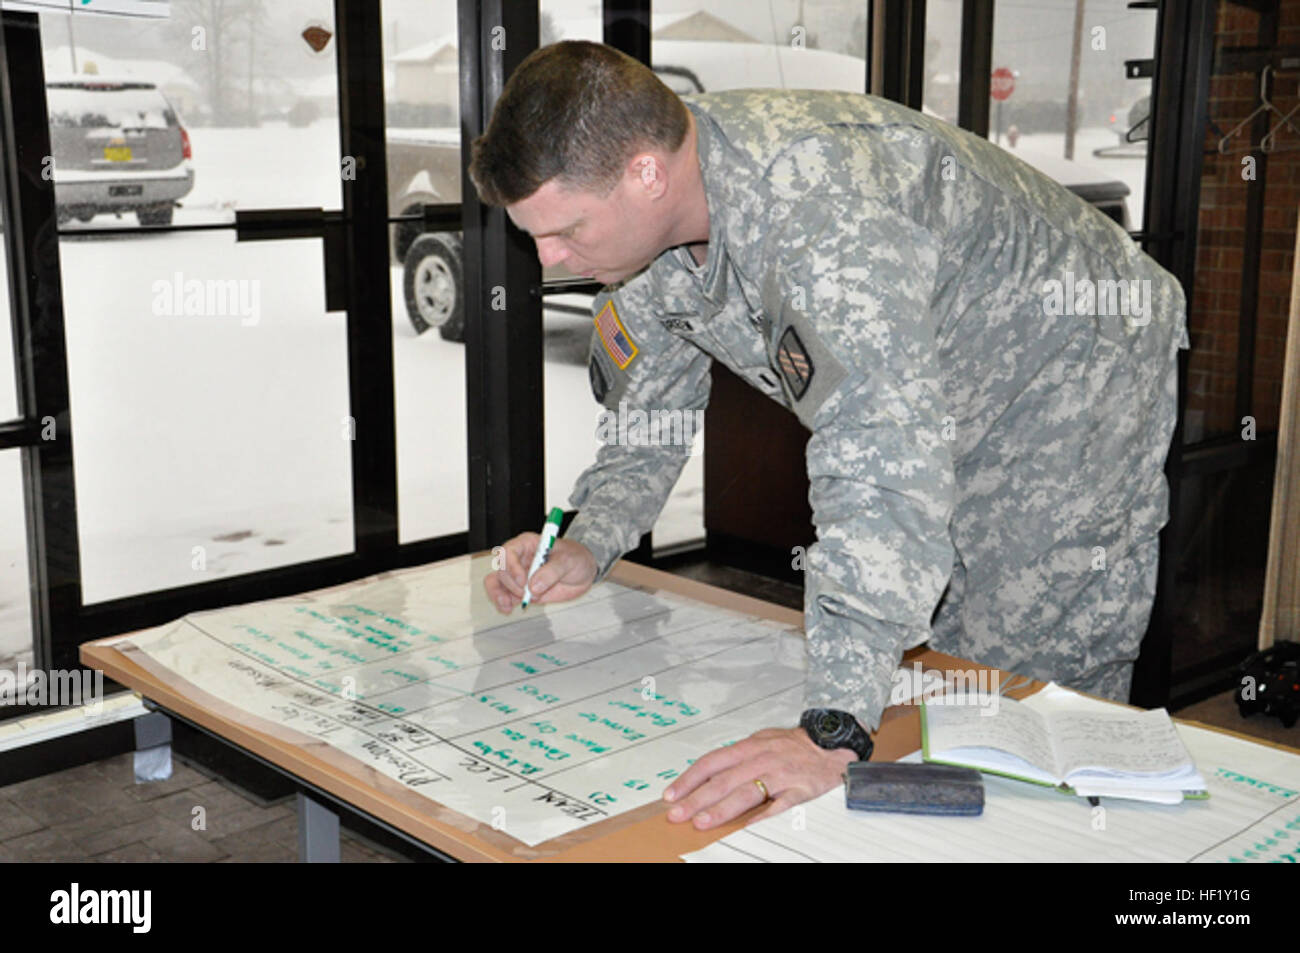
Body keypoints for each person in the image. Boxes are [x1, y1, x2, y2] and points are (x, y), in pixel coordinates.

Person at [470, 40, 1188, 831]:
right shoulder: (645, 238)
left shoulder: (823, 215)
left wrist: (834, 727)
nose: (546, 259)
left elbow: (878, 458)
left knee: (1027, 678)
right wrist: (588, 537)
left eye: (564, 230)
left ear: (646, 173)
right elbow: (651, 415)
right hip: (943, 371)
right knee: (940, 667)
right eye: (533, 234)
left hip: (1075, 363)